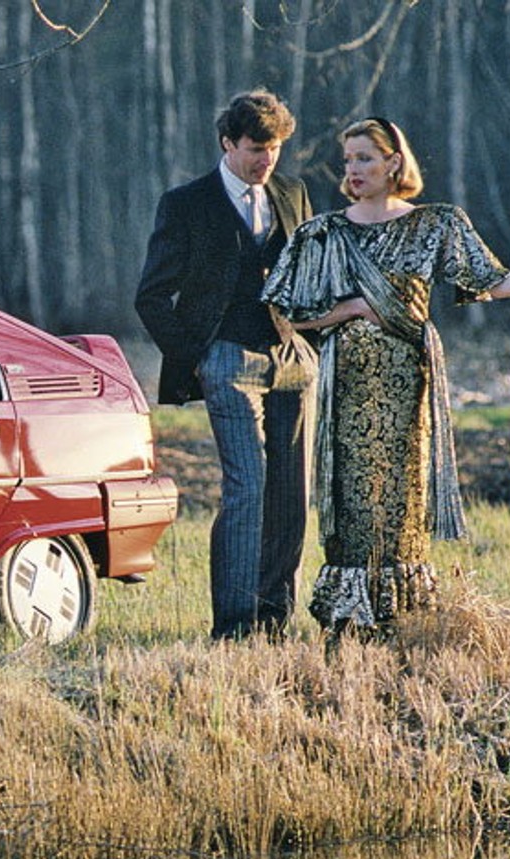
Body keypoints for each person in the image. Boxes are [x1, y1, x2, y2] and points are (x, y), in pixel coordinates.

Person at [260, 117, 510, 634]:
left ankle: (402, 616)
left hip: (408, 384)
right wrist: (354, 308)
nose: (353, 169)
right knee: (353, 499)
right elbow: (287, 307)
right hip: (348, 387)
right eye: (348, 160)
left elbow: (489, 279)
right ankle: (349, 619)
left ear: (393, 162)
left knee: (404, 497)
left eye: (364, 158)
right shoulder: (325, 233)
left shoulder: (434, 224)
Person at [136, 90, 318, 641]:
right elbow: (151, 296)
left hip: (291, 358)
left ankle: (275, 621)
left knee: (292, 493)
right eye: (257, 148)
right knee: (248, 488)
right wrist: (197, 358)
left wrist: (312, 345)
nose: (267, 159)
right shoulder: (186, 203)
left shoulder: (292, 192)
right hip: (226, 359)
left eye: (276, 148)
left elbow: (311, 277)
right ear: (227, 143)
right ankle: (236, 626)